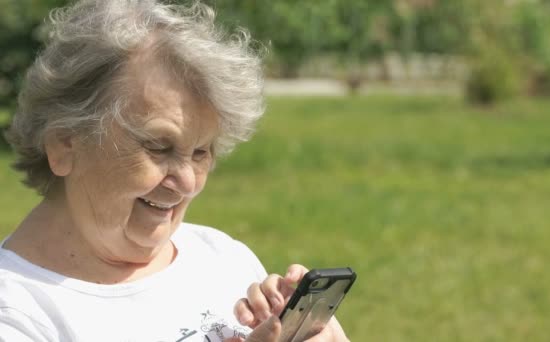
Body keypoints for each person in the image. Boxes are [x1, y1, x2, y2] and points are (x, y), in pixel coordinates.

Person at [0, 1, 349, 341]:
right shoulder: (16, 310)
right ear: (64, 144)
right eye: (158, 147)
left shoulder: (223, 257)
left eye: (201, 152)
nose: (187, 182)